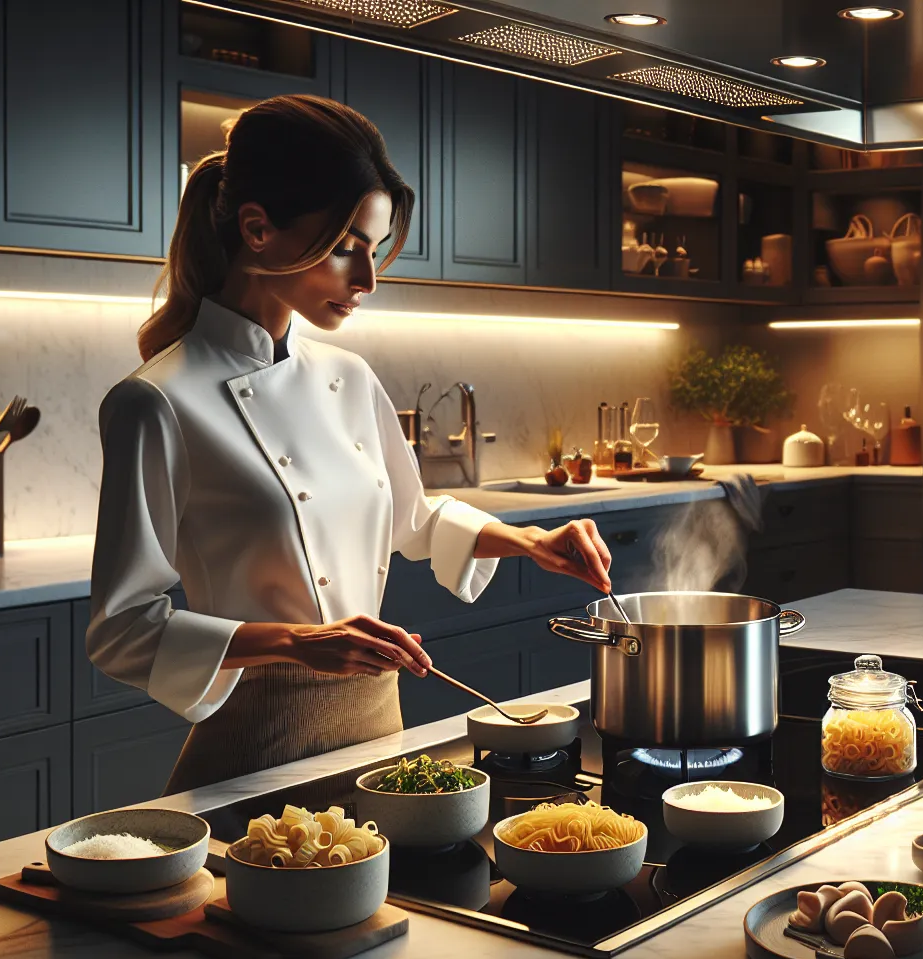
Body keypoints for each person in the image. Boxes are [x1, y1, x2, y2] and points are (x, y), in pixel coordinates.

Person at [86, 95, 613, 794]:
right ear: (257, 229)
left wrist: (531, 543)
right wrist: (297, 642)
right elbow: (121, 630)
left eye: (373, 248)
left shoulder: (349, 376)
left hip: (376, 731)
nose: (366, 281)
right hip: (255, 744)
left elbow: (411, 520)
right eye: (343, 249)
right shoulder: (156, 401)